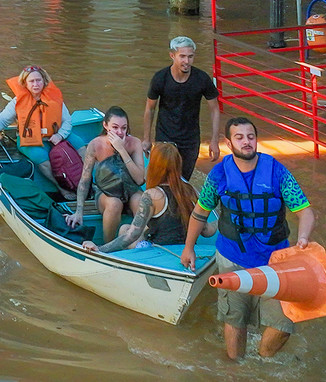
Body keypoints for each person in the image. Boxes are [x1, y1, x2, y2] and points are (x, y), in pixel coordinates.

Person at [181, 117, 316, 361]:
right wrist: (188, 248)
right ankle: (237, 367)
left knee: (284, 324)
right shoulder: (219, 174)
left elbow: (304, 210)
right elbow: (199, 213)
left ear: (256, 139)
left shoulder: (277, 172)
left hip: (275, 261)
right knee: (235, 318)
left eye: (250, 137)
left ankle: (263, 359)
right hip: (233, 258)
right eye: (239, 137)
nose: (246, 142)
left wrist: (303, 238)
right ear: (228, 142)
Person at [80, 142, 217, 252]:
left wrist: (101, 249)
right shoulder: (191, 190)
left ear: (155, 166)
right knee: (125, 228)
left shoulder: (152, 196)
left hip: (159, 251)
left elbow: (131, 235)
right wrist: (224, 220)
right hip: (185, 249)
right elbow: (206, 231)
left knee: (125, 231)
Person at [0, 65, 84, 199]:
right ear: (25, 84)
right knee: (43, 160)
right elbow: (1, 121)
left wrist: (60, 135)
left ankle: (88, 183)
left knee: (82, 146)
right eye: (31, 81)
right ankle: (62, 189)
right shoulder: (17, 102)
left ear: (44, 81)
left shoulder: (54, 98)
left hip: (56, 135)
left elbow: (67, 121)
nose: (36, 84)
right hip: (30, 140)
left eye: (38, 80)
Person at [142, 36, 222, 181]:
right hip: (164, 138)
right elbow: (150, 108)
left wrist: (214, 140)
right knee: (161, 179)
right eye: (182, 56)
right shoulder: (160, 78)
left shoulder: (202, 79)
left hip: (190, 140)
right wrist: (146, 139)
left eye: (190, 57)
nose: (186, 61)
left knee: (182, 181)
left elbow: (215, 109)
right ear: (172, 55)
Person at [65, 106, 146, 242]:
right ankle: (107, 246)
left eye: (124, 128)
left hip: (131, 190)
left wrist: (122, 150)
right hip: (106, 193)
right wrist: (79, 211)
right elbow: (85, 180)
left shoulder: (135, 143)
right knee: (114, 204)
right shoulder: (95, 145)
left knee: (142, 201)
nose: (120, 132)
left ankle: (142, 242)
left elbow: (139, 180)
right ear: (105, 125)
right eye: (115, 127)